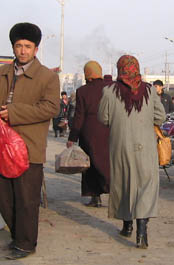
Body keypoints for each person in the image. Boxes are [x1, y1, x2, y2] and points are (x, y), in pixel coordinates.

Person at [0, 22, 60, 260]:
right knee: (1, 192)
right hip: (0, 146)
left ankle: (26, 243)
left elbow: (50, 107)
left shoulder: (47, 77)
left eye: (28, 46)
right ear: (13, 47)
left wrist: (13, 113)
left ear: (35, 49)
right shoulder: (0, 73)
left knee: (27, 198)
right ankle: (18, 236)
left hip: (29, 147)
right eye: (19, 46)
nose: (23, 50)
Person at [98, 55, 166, 249]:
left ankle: (127, 226)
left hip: (121, 145)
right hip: (145, 146)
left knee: (124, 183)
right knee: (145, 185)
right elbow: (160, 116)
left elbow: (104, 118)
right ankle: (142, 231)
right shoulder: (150, 90)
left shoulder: (109, 91)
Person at [67, 61, 110, 207]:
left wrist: (72, 137)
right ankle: (113, 191)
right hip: (108, 131)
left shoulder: (82, 91)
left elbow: (79, 117)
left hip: (89, 132)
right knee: (108, 163)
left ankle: (95, 197)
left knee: (90, 165)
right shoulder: (110, 89)